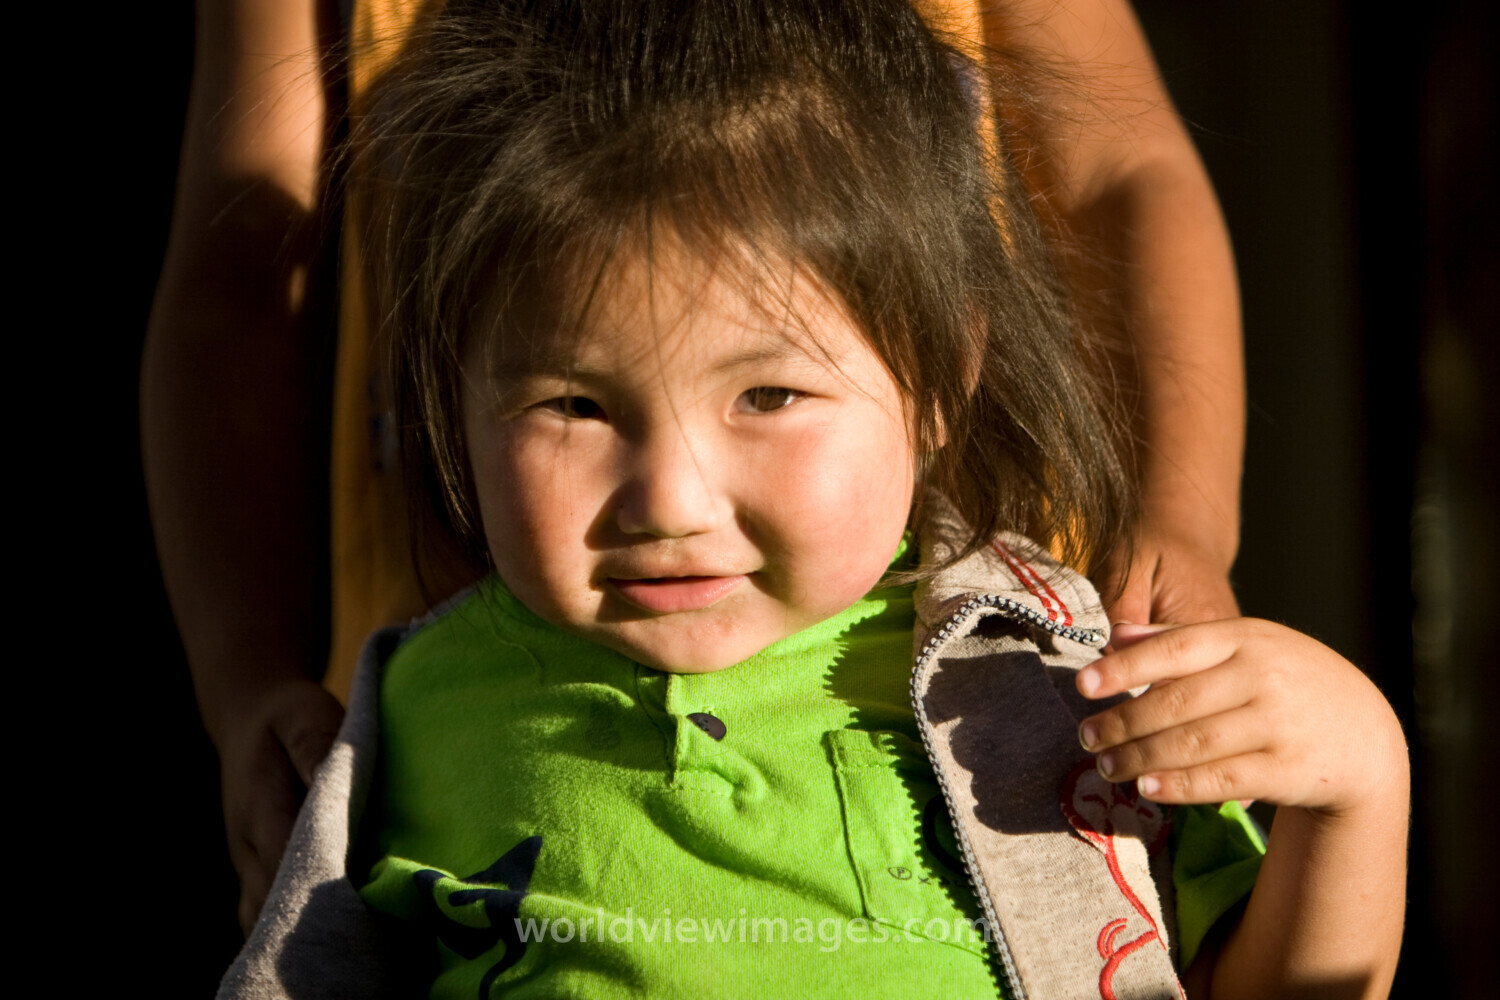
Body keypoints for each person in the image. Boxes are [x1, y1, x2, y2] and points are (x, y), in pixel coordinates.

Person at [217, 3, 1406, 997]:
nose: (669, 500)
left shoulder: (1047, 686)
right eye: (573, 406)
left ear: (943, 380)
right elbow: (231, 274)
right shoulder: (400, 718)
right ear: (449, 395)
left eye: (770, 394)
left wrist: (1360, 786)